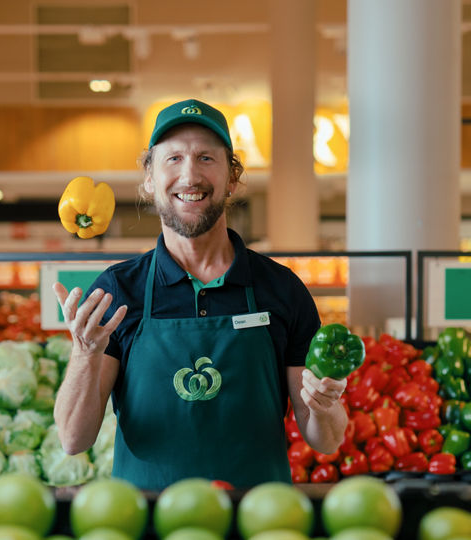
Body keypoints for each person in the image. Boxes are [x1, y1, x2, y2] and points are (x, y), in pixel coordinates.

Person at [52, 98, 347, 491]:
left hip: (258, 520)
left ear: (233, 179)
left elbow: (325, 440)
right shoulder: (117, 291)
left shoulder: (281, 289)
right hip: (147, 520)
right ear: (149, 181)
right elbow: (74, 439)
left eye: (206, 158)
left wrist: (325, 407)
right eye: (173, 159)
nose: (190, 175)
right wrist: (84, 354)